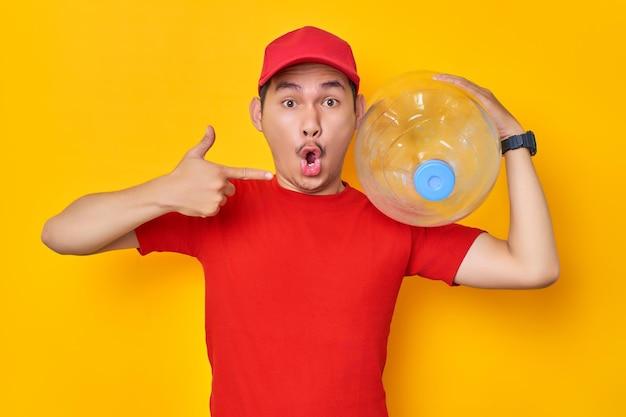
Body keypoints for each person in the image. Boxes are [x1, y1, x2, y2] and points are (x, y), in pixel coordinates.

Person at [41, 26, 559, 417]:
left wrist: (513, 139)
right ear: (258, 115)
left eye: (329, 101)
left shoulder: (397, 217)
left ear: (358, 113)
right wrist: (161, 193)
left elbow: (533, 266)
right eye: (289, 101)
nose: (310, 120)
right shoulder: (212, 203)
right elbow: (61, 234)